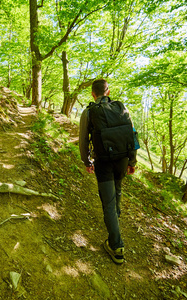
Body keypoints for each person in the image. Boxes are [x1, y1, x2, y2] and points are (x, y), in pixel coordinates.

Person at [79, 79, 137, 264]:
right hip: (122, 160)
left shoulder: (88, 112)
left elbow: (82, 141)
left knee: (108, 203)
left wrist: (87, 161)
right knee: (117, 190)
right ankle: (115, 220)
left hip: (103, 161)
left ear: (92, 94)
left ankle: (116, 246)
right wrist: (132, 161)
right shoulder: (122, 109)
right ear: (108, 91)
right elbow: (132, 134)